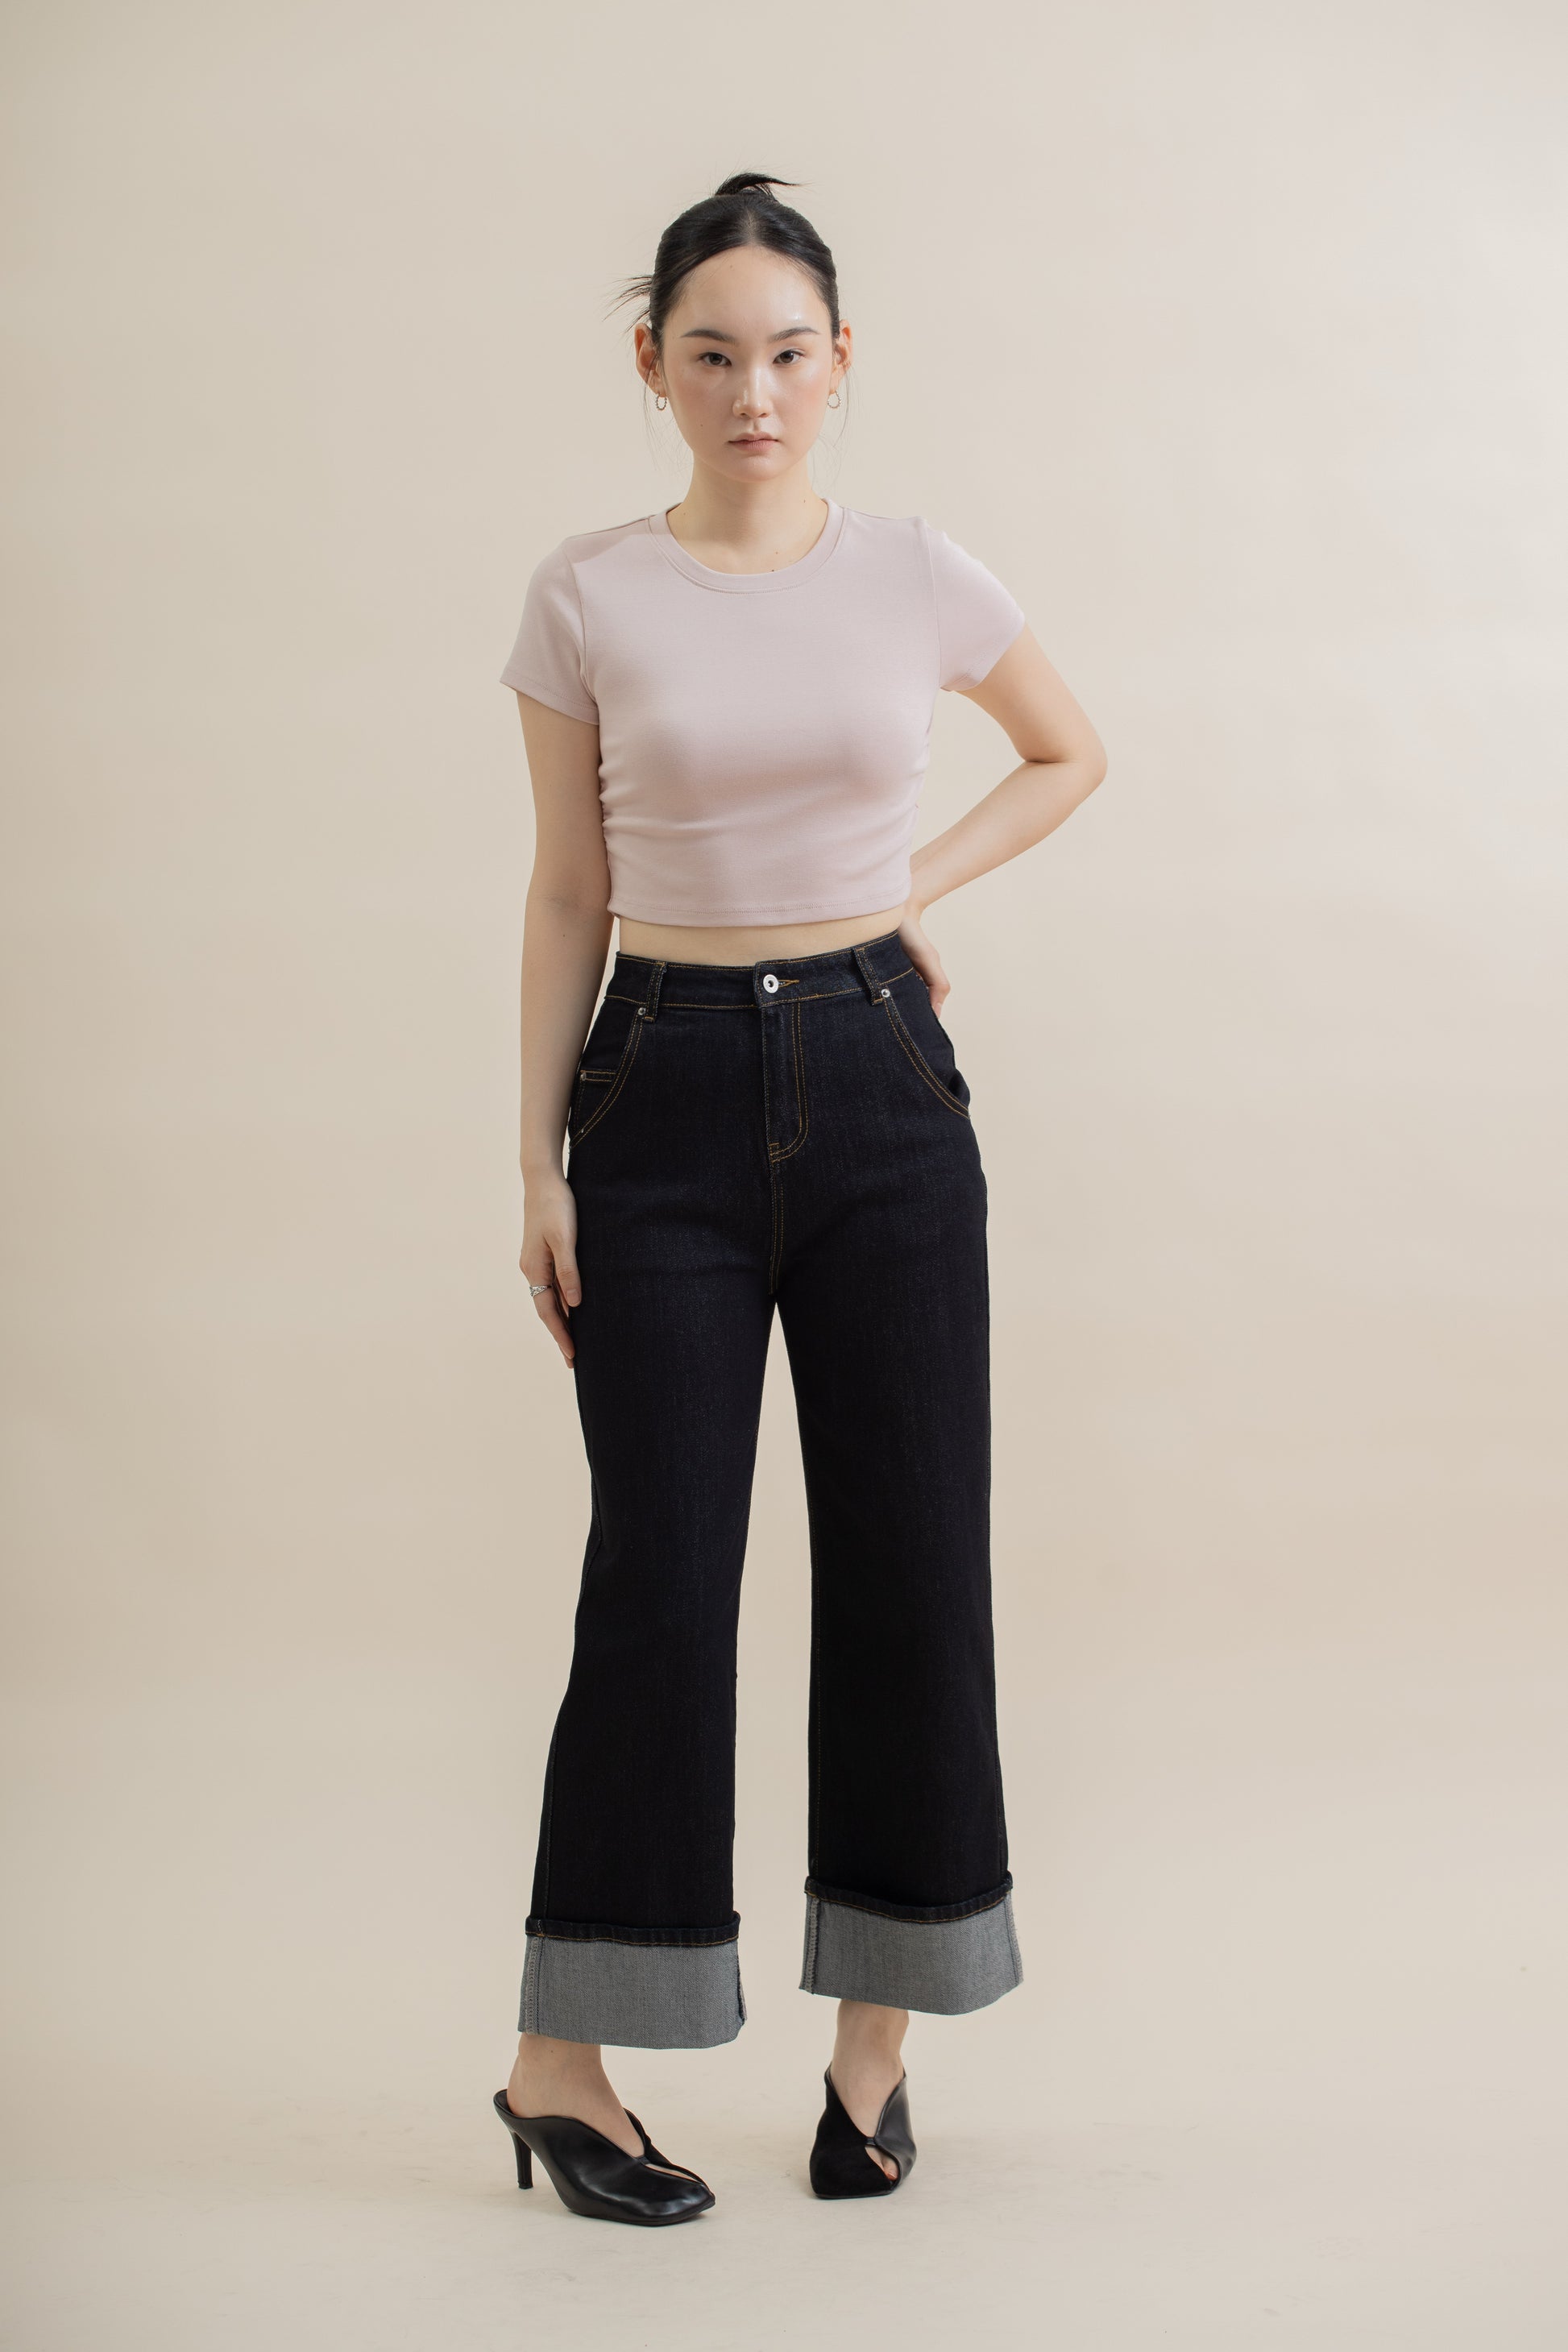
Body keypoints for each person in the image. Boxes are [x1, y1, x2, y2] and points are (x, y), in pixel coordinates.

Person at [490, 172, 1107, 2225]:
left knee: (912, 1556)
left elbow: (1065, 752)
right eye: (710, 353)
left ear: (840, 363)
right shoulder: (587, 593)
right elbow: (566, 890)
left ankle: (875, 2045)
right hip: (655, 1093)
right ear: (651, 366)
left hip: (879, 1087)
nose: (751, 390)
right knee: (657, 1574)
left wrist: (901, 890)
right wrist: (535, 1160)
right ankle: (561, 2067)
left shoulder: (917, 570)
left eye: (786, 352)